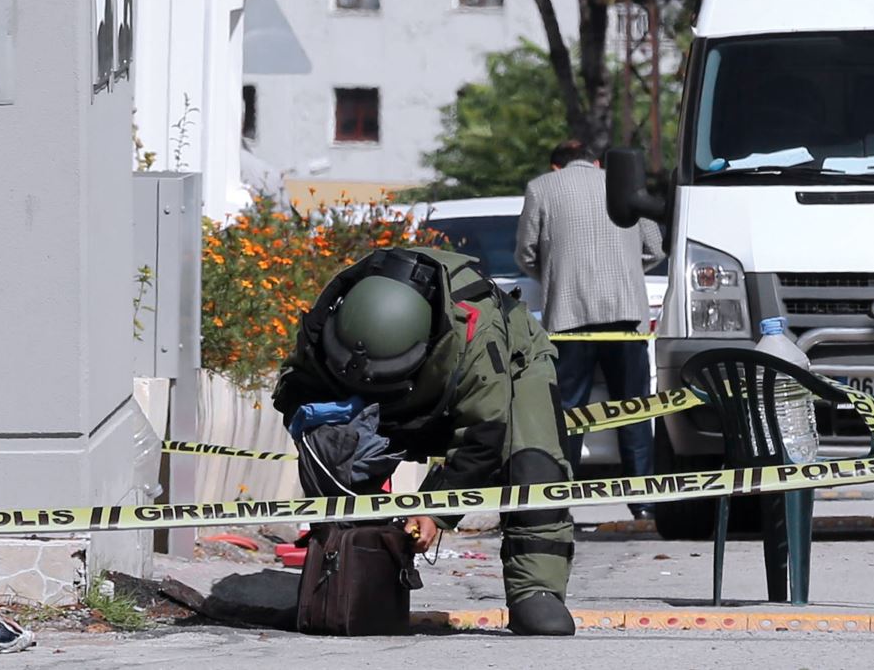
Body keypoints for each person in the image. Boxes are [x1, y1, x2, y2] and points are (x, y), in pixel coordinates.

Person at [273, 246, 576, 635]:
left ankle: (536, 590)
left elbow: (484, 439)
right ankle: (349, 577)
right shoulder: (330, 327)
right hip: (409, 392)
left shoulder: (476, 334)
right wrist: (339, 439)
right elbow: (295, 397)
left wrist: (434, 511)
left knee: (535, 463)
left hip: (512, 367)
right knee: (328, 445)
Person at [515, 140, 664, 521]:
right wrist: (627, 271)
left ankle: (561, 502)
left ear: (555, 167)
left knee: (568, 412)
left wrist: (555, 276)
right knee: (633, 408)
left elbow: (526, 253)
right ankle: (643, 502)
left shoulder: (541, 188)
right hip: (625, 314)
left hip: (569, 318)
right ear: (597, 162)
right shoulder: (625, 184)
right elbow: (655, 248)